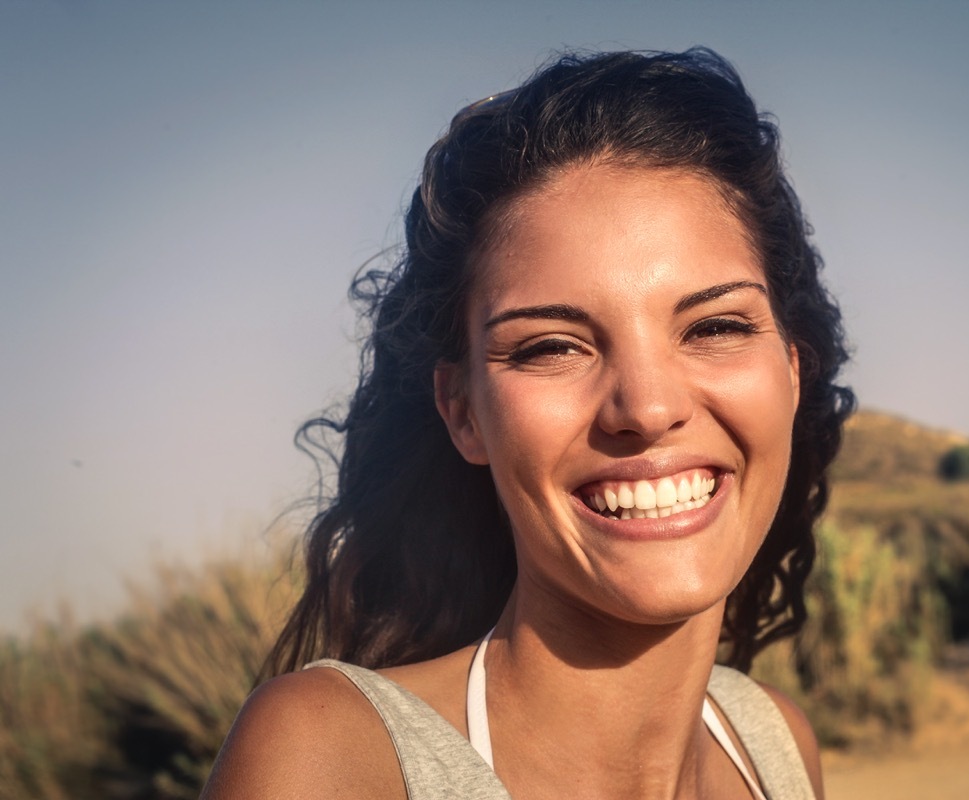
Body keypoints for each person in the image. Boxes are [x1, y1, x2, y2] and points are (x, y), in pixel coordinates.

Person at [202, 47, 852, 800]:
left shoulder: (775, 745)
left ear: (793, 371)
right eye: (552, 346)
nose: (645, 408)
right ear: (464, 412)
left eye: (714, 328)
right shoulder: (332, 760)